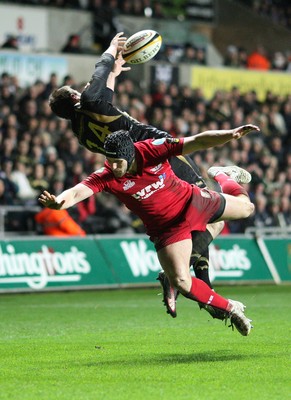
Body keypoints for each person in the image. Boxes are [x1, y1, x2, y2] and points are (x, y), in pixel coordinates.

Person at [48, 32, 230, 319]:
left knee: (200, 216)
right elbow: (98, 76)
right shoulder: (89, 101)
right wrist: (110, 51)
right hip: (154, 152)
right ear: (74, 97)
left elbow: (101, 98)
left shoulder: (80, 130)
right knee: (213, 213)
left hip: (136, 166)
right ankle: (186, 281)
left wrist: (115, 73)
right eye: (76, 91)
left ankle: (193, 282)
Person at [39, 124, 260, 336]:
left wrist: (231, 134)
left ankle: (222, 176)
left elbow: (198, 141)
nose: (113, 167)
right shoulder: (107, 175)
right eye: (109, 161)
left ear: (130, 155)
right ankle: (232, 309)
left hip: (193, 202)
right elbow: (77, 192)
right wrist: (59, 202)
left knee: (247, 208)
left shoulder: (152, 149)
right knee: (182, 281)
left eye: (118, 162)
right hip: (167, 230)